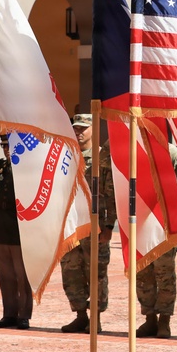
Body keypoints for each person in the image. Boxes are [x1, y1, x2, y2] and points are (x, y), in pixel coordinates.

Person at [59, 114, 116, 333]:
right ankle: (80, 315)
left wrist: (109, 226)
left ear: (94, 129)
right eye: (76, 129)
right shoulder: (66, 156)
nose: (79, 133)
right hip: (70, 224)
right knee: (71, 270)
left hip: (95, 226)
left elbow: (110, 194)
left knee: (96, 273)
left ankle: (96, 317)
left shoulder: (102, 158)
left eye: (84, 128)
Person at [136, 142, 177, 339]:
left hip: (163, 220)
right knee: (143, 273)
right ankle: (149, 318)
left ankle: (164, 319)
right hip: (140, 218)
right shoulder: (133, 146)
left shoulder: (171, 151)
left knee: (164, 273)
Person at [0, 135, 32, 329]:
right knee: (5, 274)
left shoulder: (28, 169)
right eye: (5, 147)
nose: (8, 150)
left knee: (22, 275)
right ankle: (9, 313)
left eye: (12, 146)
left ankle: (24, 314)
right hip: (1, 225)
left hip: (20, 227)